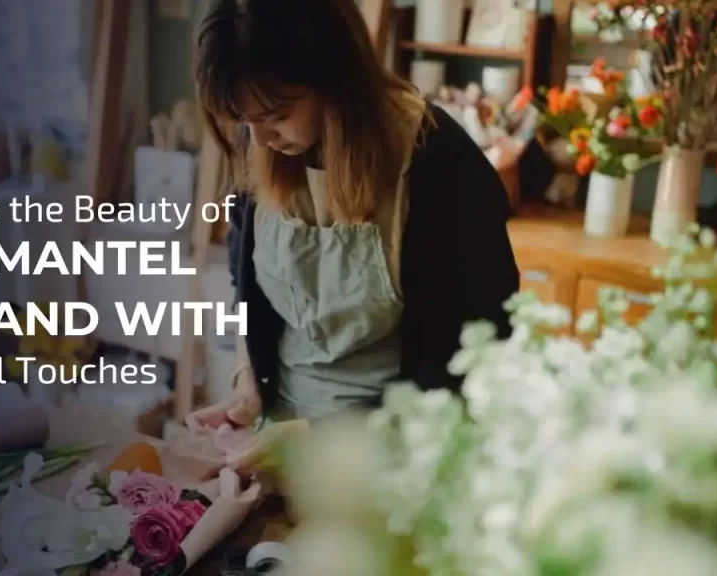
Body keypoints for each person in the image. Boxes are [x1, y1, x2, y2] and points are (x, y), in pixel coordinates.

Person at [186, 0, 519, 471]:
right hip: (278, 434)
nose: (259, 140)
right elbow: (248, 286)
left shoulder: (437, 163)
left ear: (334, 80)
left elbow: (469, 361)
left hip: (395, 448)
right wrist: (247, 386)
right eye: (245, 121)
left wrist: (316, 437)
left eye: (276, 115)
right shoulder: (259, 142)